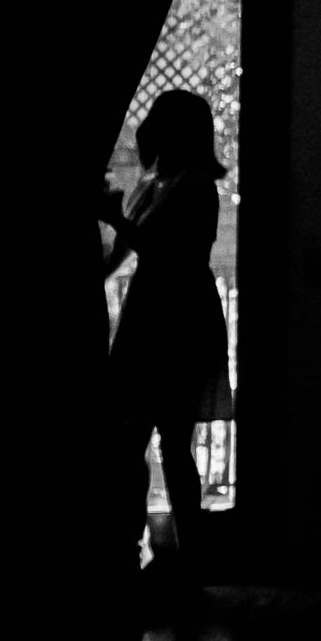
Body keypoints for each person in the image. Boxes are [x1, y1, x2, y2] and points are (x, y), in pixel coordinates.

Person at [100, 89, 231, 602]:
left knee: (162, 445)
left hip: (172, 321)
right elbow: (126, 253)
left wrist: (114, 220)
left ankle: (166, 559)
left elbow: (163, 251)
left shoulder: (194, 187)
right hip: (159, 317)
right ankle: (162, 558)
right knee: (151, 445)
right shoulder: (158, 183)